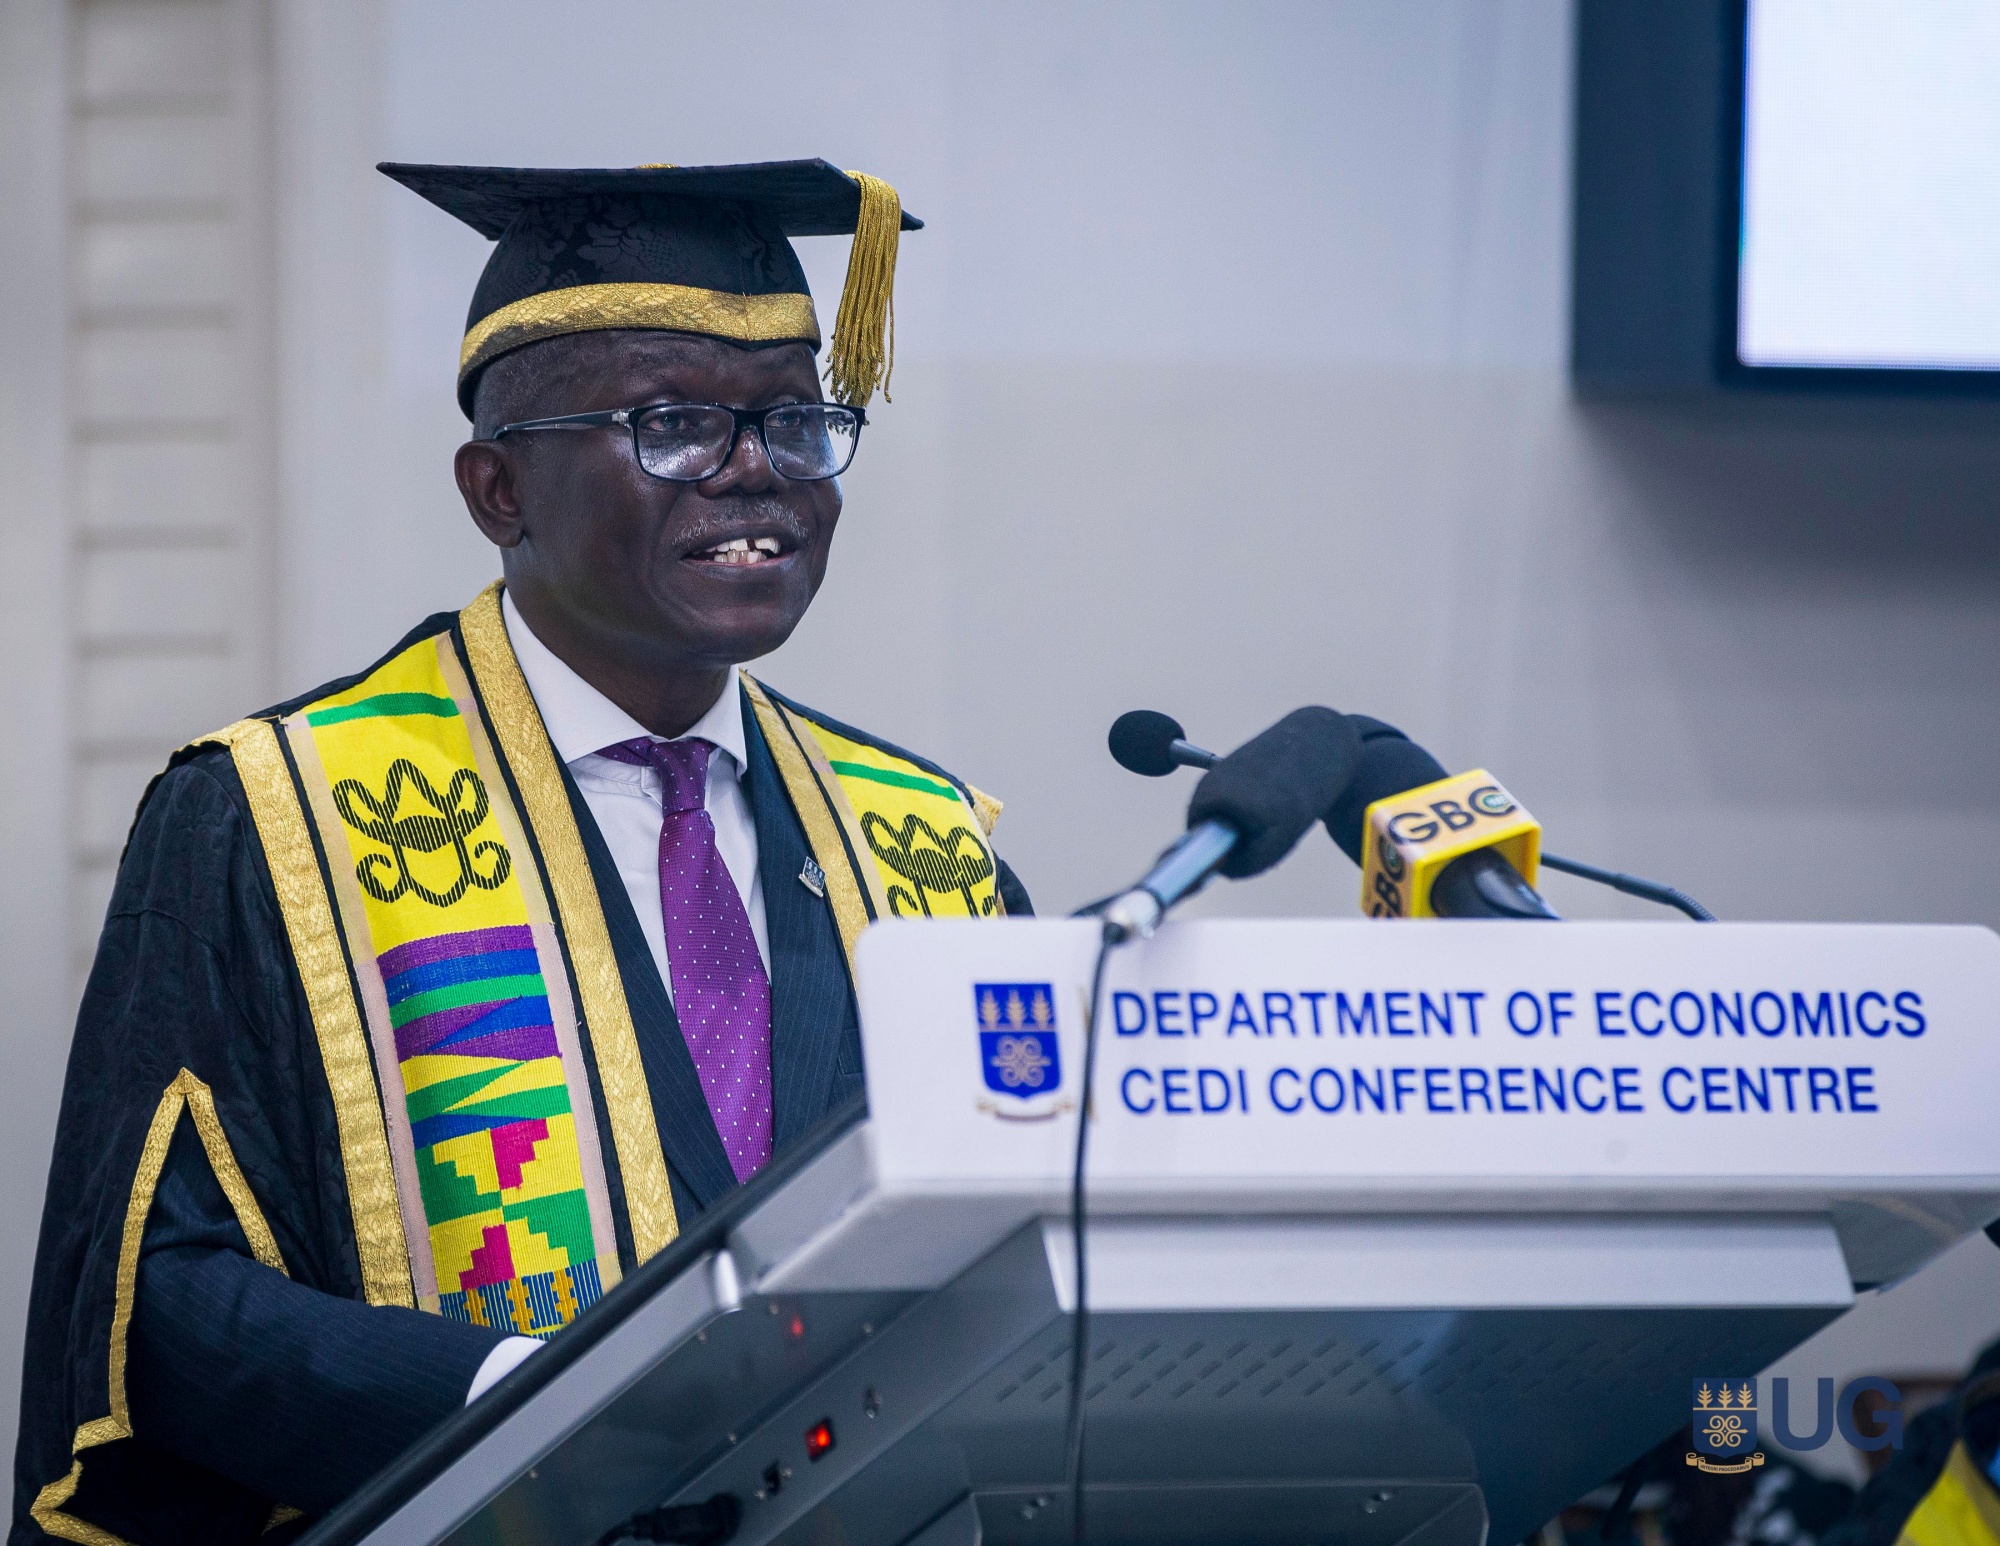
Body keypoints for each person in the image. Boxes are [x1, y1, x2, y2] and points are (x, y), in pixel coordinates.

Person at [11, 159, 1029, 1545]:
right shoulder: (281, 814)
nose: (757, 470)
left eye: (798, 418)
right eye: (675, 422)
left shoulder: (921, 842)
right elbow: (158, 1299)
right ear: (499, 490)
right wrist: (531, 1403)